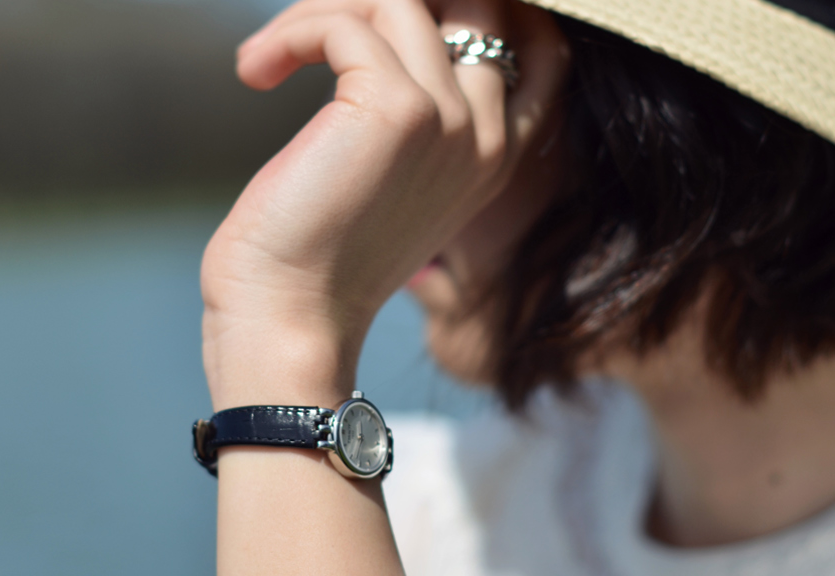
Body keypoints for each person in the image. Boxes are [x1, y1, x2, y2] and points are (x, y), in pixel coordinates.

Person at [193, 0, 835, 573]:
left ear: (678, 129)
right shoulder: (439, 510)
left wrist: (283, 330)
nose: (405, 139)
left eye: (478, 68)